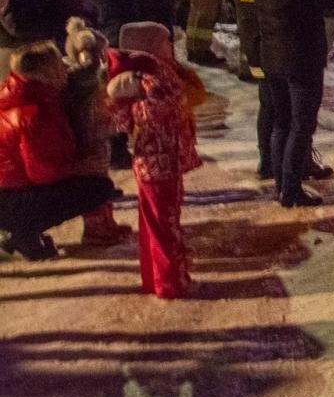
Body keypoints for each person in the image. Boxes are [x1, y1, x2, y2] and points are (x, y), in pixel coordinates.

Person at [106, 22, 201, 297]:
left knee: (156, 223)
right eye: (165, 41)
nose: (171, 46)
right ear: (148, 46)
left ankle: (156, 278)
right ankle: (171, 282)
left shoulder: (144, 75)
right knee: (164, 225)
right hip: (159, 163)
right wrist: (169, 89)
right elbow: (162, 108)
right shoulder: (148, 78)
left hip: (155, 161)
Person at [0, 42, 119, 259]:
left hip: (9, 193)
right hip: (10, 198)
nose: (65, 68)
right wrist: (82, 167)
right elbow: (42, 172)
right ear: (45, 72)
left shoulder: (20, 95)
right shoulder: (34, 112)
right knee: (96, 188)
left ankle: (19, 229)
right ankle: (21, 230)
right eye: (58, 65)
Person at [253, 0, 328, 206]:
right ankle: (292, 188)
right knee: (301, 125)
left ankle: (282, 185)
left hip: (272, 57)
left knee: (281, 122)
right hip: (302, 58)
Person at [62, 18, 131, 245]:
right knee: (94, 186)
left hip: (98, 141)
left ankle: (106, 224)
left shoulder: (85, 80)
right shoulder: (83, 82)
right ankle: (95, 230)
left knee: (102, 183)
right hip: (89, 143)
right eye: (101, 52)